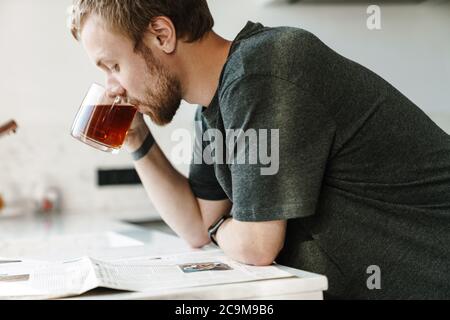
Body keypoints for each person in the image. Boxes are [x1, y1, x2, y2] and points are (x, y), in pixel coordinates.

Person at [69, 0, 450, 299]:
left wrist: (221, 226)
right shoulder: (211, 107)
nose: (111, 86)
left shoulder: (264, 70)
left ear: (161, 34)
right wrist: (136, 138)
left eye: (113, 65)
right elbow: (197, 224)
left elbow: (255, 245)